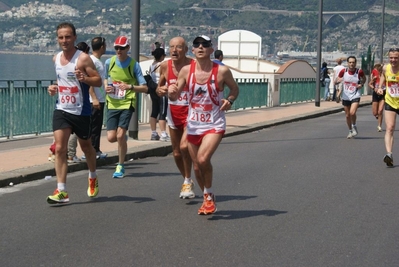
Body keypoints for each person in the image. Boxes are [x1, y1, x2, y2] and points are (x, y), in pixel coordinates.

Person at [168, 35, 239, 215]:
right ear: (192, 50)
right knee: (197, 167)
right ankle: (208, 196)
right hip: (193, 124)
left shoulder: (221, 71)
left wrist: (230, 100)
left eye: (204, 45)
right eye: (197, 45)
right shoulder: (185, 71)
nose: (200, 47)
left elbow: (235, 88)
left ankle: (208, 196)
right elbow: (175, 95)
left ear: (210, 49)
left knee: (202, 159)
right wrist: (171, 92)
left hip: (214, 123)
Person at [47, 22, 102, 204]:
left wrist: (84, 78)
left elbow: (98, 81)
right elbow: (60, 79)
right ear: (57, 39)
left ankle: (92, 176)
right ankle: (62, 190)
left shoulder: (83, 59)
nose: (64, 40)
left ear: (74, 37)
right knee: (60, 148)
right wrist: (54, 88)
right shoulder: (56, 58)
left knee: (87, 147)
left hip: (81, 111)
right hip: (62, 109)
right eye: (61, 37)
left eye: (68, 36)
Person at [156, 37, 196, 199]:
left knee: (185, 147)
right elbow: (159, 88)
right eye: (171, 47)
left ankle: (187, 181)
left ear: (186, 50)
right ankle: (187, 179)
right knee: (177, 153)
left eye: (178, 47)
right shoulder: (165, 66)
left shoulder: (194, 65)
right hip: (173, 113)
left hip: (192, 113)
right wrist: (162, 90)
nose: (174, 50)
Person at [104, 36, 148, 178]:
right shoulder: (108, 62)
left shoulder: (134, 65)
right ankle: (123, 139)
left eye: (122, 48)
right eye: (116, 47)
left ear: (128, 48)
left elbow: (145, 88)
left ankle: (120, 165)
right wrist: (106, 87)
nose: (119, 50)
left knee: (120, 134)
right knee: (111, 137)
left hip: (127, 102)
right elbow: (105, 78)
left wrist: (130, 86)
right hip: (112, 103)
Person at [67, 41, 90, 163]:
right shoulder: (83, 63)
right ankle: (70, 154)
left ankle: (63, 153)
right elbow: (93, 84)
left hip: (69, 103)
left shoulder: (71, 62)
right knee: (75, 132)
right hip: (79, 104)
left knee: (68, 131)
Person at [377, 48, 399, 167]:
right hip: (390, 101)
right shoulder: (386, 68)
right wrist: (380, 86)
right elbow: (383, 76)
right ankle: (389, 154)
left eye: (396, 57)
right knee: (389, 128)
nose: (393, 60)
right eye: (391, 57)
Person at [336, 56, 366, 139]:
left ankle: (354, 126)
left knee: (352, 112)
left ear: (355, 63)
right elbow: (338, 81)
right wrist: (338, 94)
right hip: (346, 95)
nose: (351, 64)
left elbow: (364, 79)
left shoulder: (359, 71)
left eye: (353, 62)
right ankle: (350, 130)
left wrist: (361, 84)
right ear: (347, 63)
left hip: (355, 94)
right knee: (347, 115)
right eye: (350, 62)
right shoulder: (343, 71)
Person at [88, 36, 108, 158]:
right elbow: (90, 81)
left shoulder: (97, 61)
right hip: (95, 100)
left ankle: (95, 149)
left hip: (100, 98)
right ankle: (93, 151)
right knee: (94, 127)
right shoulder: (93, 61)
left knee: (96, 126)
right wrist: (94, 98)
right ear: (102, 47)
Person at [148, 47, 169, 141]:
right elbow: (165, 77)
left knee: (154, 111)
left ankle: (153, 133)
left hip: (153, 90)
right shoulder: (163, 65)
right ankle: (164, 133)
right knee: (162, 112)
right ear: (162, 56)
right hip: (161, 89)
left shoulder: (152, 65)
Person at [368, 63, 384, 132]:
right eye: (380, 71)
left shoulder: (385, 78)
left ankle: (379, 126)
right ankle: (378, 116)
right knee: (375, 113)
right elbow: (370, 84)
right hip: (375, 93)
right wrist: (374, 88)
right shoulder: (375, 77)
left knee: (380, 110)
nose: (380, 72)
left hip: (383, 94)